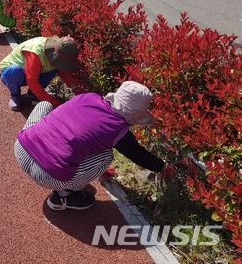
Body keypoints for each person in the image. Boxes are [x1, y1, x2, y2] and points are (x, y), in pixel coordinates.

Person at [14, 81, 173, 210]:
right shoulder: (118, 130)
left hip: (21, 148)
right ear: (135, 114)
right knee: (106, 156)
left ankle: (40, 138)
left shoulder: (89, 97)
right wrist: (163, 167)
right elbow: (139, 155)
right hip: (47, 176)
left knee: (44, 106)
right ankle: (64, 195)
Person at [0, 36, 81, 111]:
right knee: (14, 71)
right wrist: (53, 103)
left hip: (33, 72)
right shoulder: (36, 53)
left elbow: (63, 72)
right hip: (12, 72)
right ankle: (15, 95)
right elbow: (32, 81)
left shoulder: (62, 50)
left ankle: (33, 94)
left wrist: (77, 91)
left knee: (52, 71)